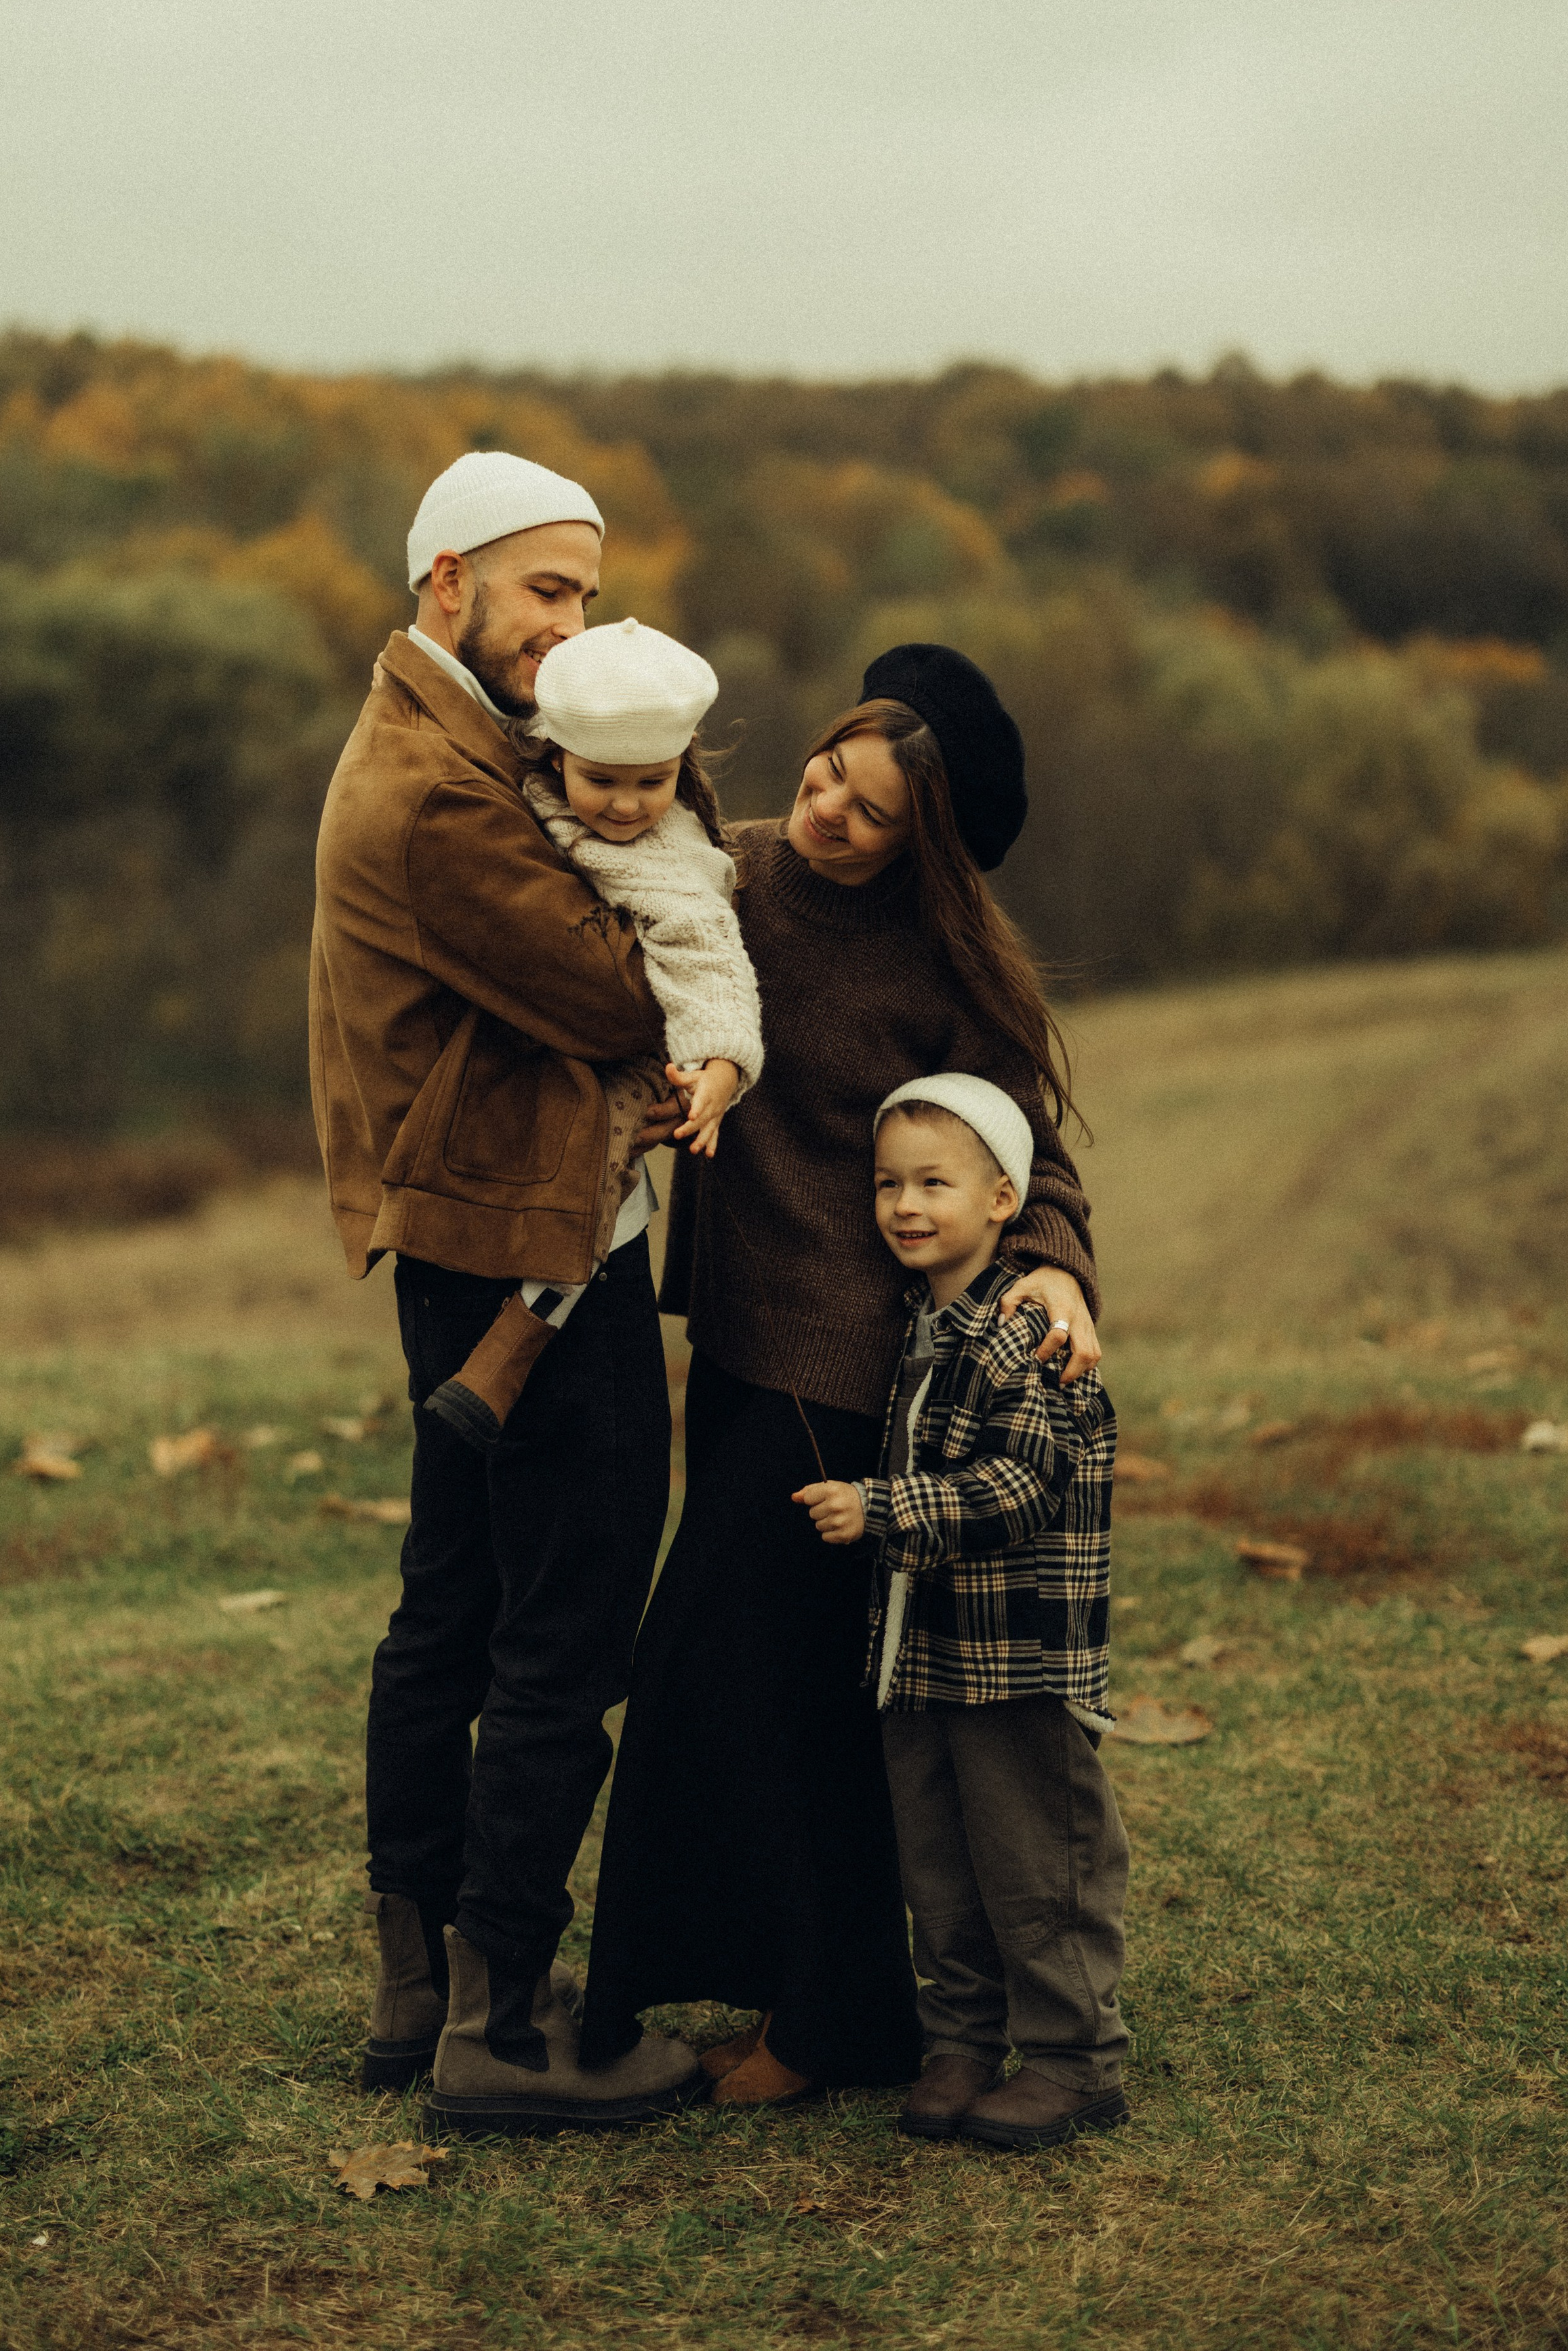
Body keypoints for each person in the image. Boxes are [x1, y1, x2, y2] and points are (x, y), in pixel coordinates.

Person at [579, 641, 1102, 2106]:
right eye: (823, 774)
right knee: (777, 1684)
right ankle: (830, 2010)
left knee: (715, 1668)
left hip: (850, 1360)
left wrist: (1054, 1260)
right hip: (736, 1339)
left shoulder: (941, 958)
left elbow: (1029, 1146)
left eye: (866, 812)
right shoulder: (724, 870)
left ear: (914, 841)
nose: (823, 814)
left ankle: (822, 2025)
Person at [309, 448, 700, 2137]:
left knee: (453, 1602)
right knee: (565, 1615)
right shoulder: (439, 795)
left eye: (589, 598)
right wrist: (691, 884)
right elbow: (617, 989)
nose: (572, 629)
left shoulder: (463, 745)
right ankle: (503, 2019)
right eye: (549, 591)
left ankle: (419, 1988)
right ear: (447, 581)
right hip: (527, 1249)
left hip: (465, 1231)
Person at [796, 1074, 1129, 2152]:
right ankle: (962, 2045)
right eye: (889, 1183)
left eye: (934, 1182)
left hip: (1015, 1657)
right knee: (939, 1865)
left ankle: (1076, 2061)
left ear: (1001, 1200)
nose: (904, 1205)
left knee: (1041, 1861)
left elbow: (1021, 1485)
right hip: (925, 1659)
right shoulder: (920, 1326)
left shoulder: (1024, 1330)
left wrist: (882, 1507)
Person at [425, 616, 763, 1451]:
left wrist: (718, 1066)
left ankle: (527, 1325)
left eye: (650, 783)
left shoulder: (669, 859)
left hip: (648, 1051)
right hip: (538, 1036)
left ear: (678, 771)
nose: (624, 805)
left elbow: (710, 961)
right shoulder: (516, 791)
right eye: (601, 780)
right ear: (557, 756)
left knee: (597, 1155)